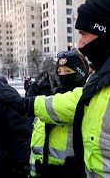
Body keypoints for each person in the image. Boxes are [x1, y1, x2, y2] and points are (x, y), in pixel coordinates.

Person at [0, 0, 110, 177]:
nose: (80, 44)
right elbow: (74, 102)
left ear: (105, 31)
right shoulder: (108, 71)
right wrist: (25, 103)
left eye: (84, 33)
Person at [29, 49, 89, 177]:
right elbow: (36, 144)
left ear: (80, 74)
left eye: (68, 71)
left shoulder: (86, 101)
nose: (62, 75)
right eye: (59, 71)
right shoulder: (49, 100)